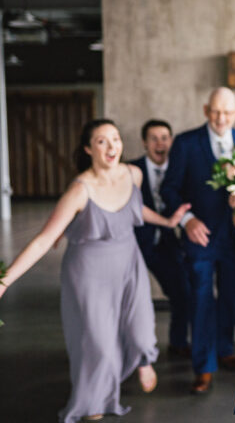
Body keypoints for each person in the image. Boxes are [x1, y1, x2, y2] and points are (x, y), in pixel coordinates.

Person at [0, 119, 189, 423]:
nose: (112, 146)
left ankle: (142, 360)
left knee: (143, 331)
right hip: (89, 272)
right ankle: (92, 401)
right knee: (99, 345)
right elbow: (44, 240)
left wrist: (167, 222)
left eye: (115, 139)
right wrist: (5, 281)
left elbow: (134, 208)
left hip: (128, 262)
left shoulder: (134, 174)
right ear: (88, 149)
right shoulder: (80, 190)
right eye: (102, 141)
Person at [160, 87, 235, 394]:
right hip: (199, 237)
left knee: (229, 296)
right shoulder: (186, 143)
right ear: (205, 111)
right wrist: (187, 220)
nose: (220, 118)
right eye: (215, 112)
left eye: (226, 112)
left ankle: (224, 349)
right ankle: (203, 366)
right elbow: (169, 189)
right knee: (200, 298)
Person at [130, 119, 192, 357]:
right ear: (144, 143)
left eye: (165, 138)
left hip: (167, 243)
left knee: (182, 292)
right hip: (134, 243)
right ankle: (129, 349)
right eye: (154, 138)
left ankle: (178, 343)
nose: (160, 143)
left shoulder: (180, 168)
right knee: (130, 298)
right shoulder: (131, 169)